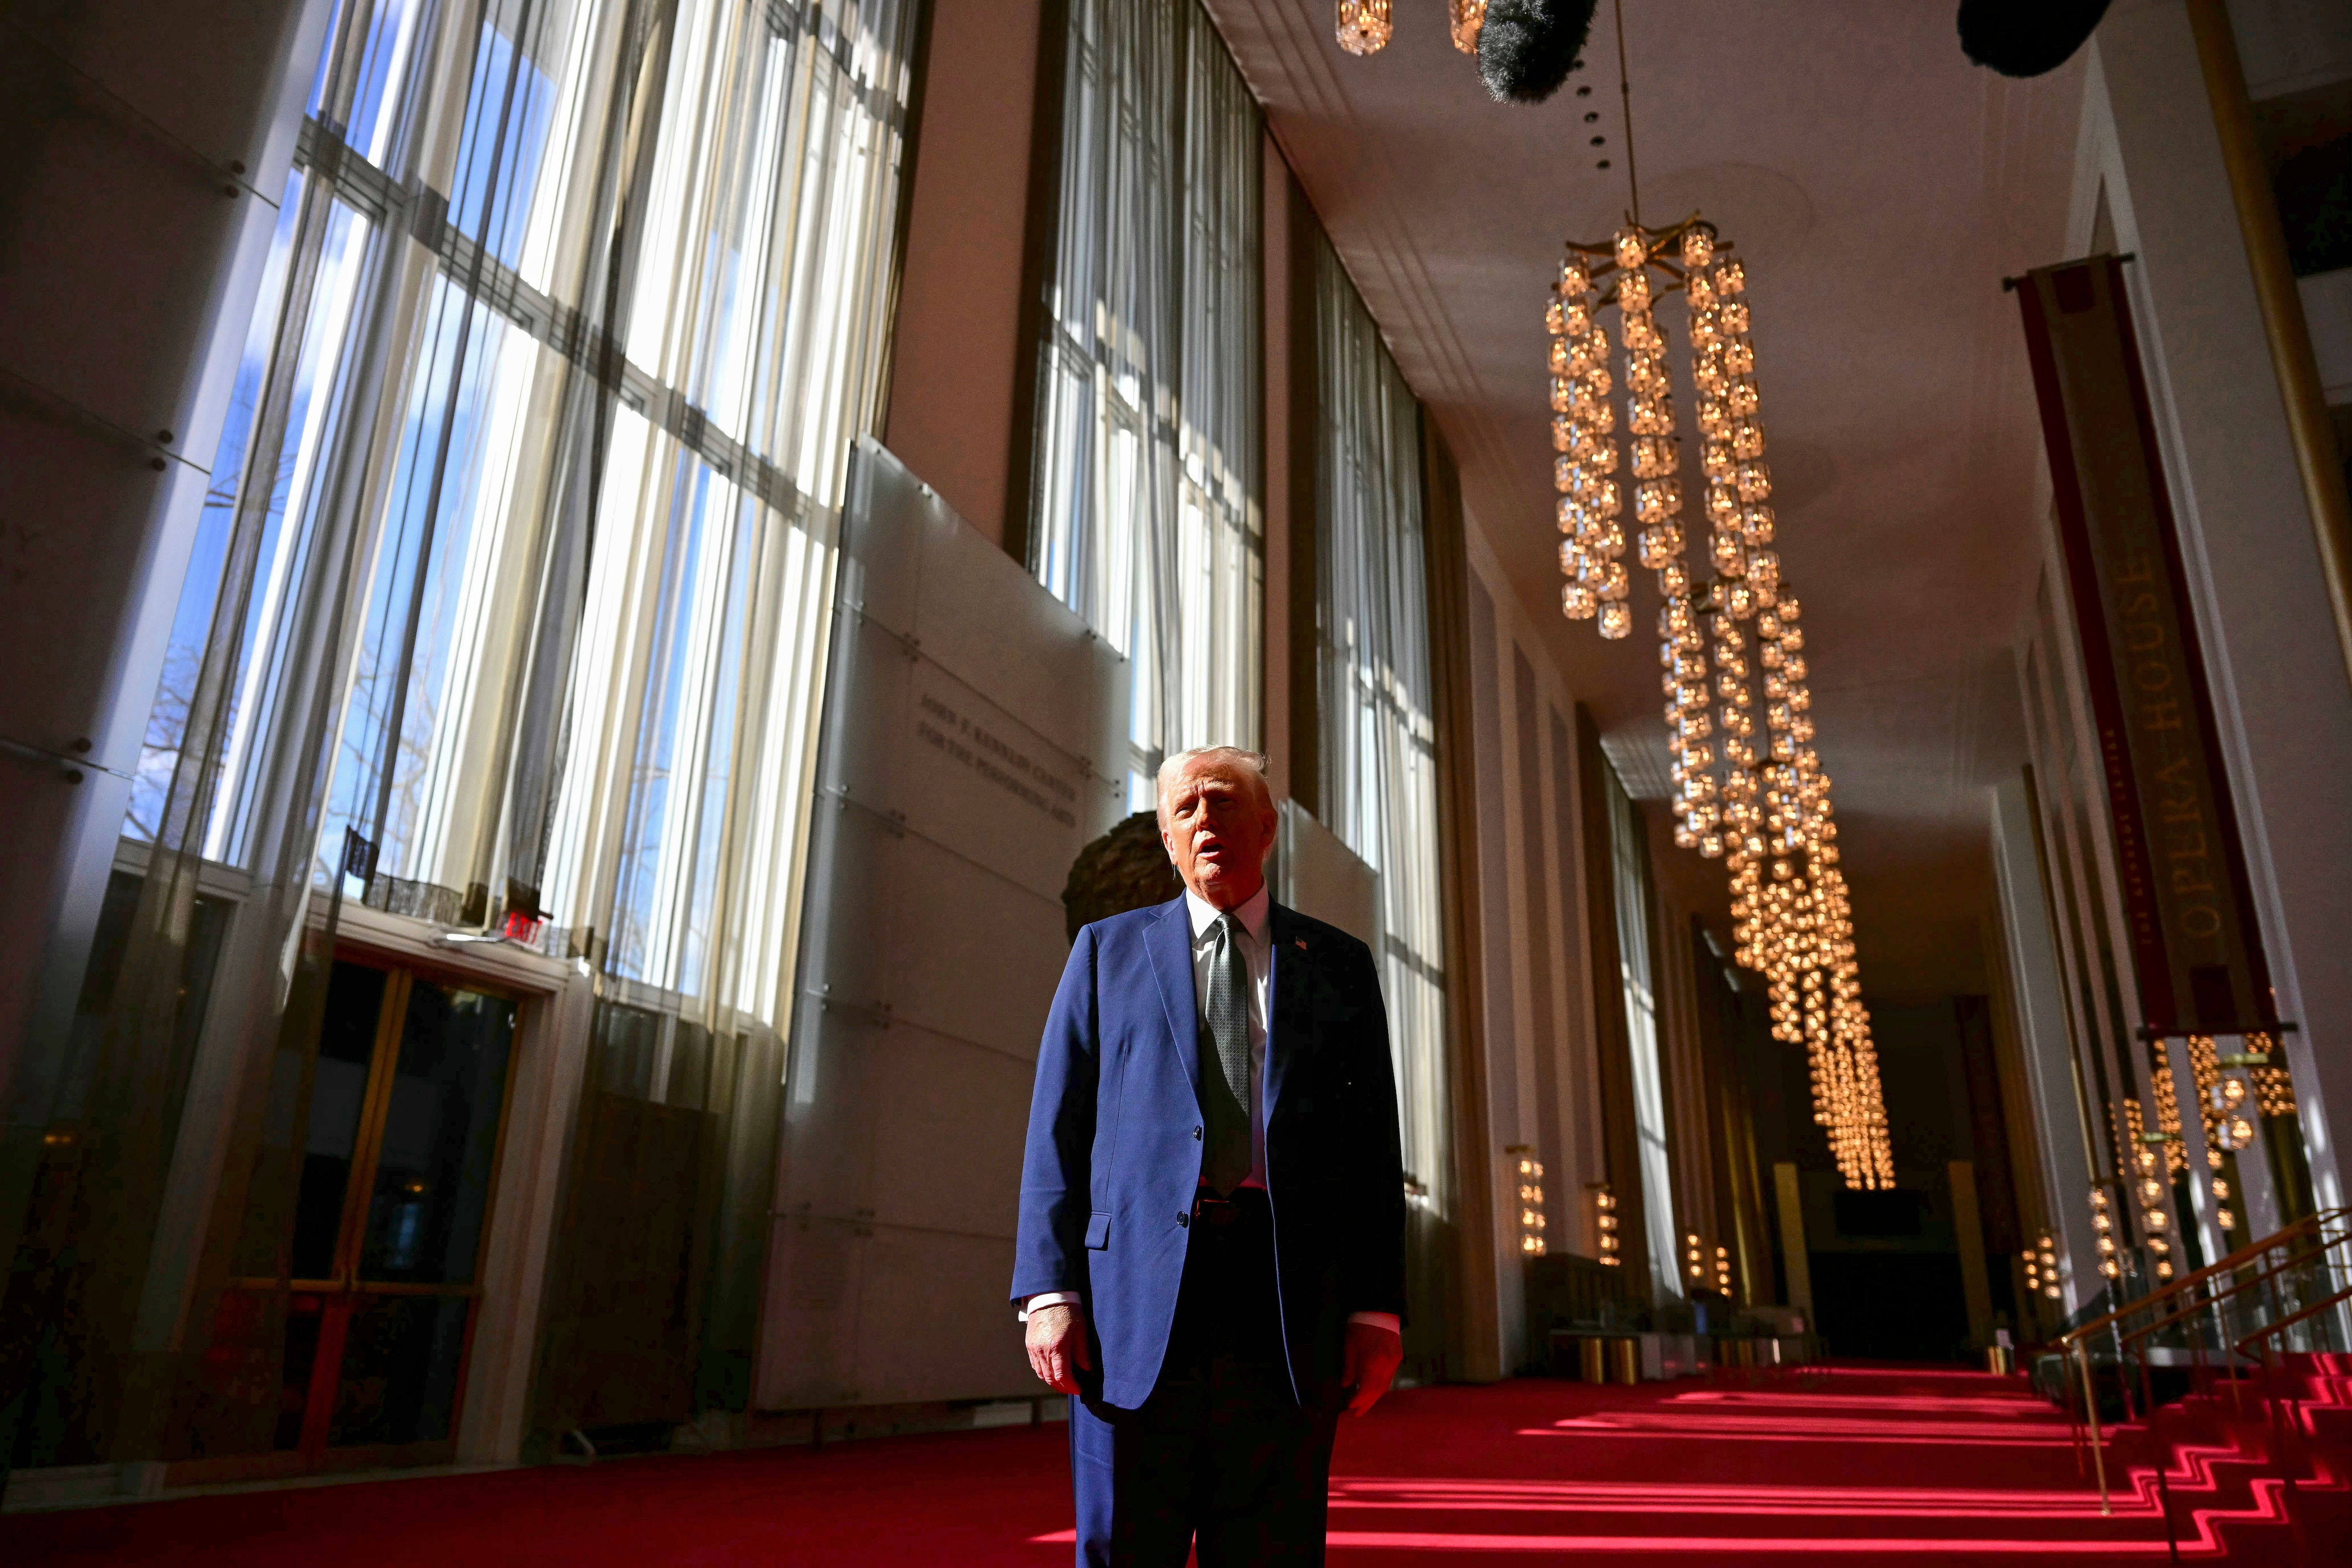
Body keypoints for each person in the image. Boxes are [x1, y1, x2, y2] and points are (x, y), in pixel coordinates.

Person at [1012, 745, 1407, 1565]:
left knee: (1271, 1544)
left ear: (1265, 827)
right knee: (1125, 1544)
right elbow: (1059, 1126)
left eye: (1223, 802)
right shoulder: (1104, 953)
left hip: (1284, 1297)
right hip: (1133, 1306)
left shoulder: (1338, 966)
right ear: (1165, 837)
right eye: (1185, 809)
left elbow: (1370, 1148)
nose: (1205, 822)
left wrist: (1376, 1309)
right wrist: (1049, 1289)